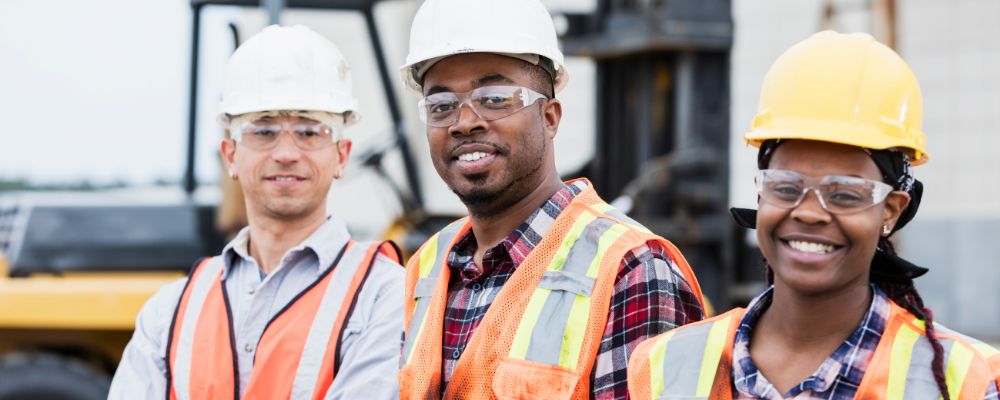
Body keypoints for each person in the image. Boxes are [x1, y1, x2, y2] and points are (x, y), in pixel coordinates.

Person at [627, 31, 1000, 400]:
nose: (808, 212)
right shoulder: (664, 365)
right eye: (786, 187)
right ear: (761, 192)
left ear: (891, 210)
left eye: (845, 194)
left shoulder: (967, 382)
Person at [395, 1, 706, 399]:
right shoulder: (427, 265)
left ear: (550, 117)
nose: (464, 122)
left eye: (494, 98)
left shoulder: (630, 271)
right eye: (441, 106)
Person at [109, 25, 404, 399]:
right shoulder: (168, 311)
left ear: (341, 156)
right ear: (231, 156)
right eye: (263, 132)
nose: (286, 152)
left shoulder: (386, 295)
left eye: (310, 132)